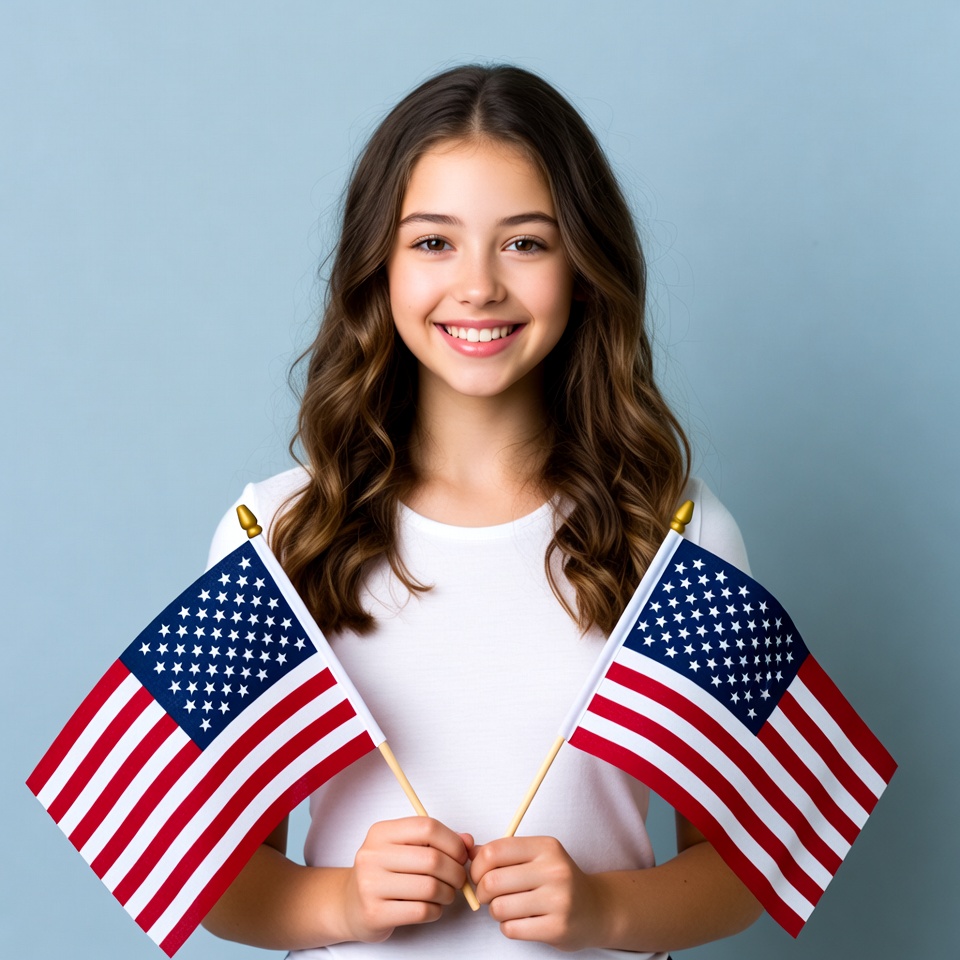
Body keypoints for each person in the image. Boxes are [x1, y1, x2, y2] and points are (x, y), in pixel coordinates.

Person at [201, 64, 763, 959]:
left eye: (525, 243)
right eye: (432, 242)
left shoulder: (678, 536)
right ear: (376, 266)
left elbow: (741, 868)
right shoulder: (278, 532)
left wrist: (604, 912)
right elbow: (216, 876)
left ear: (583, 269)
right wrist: (344, 902)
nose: (478, 287)